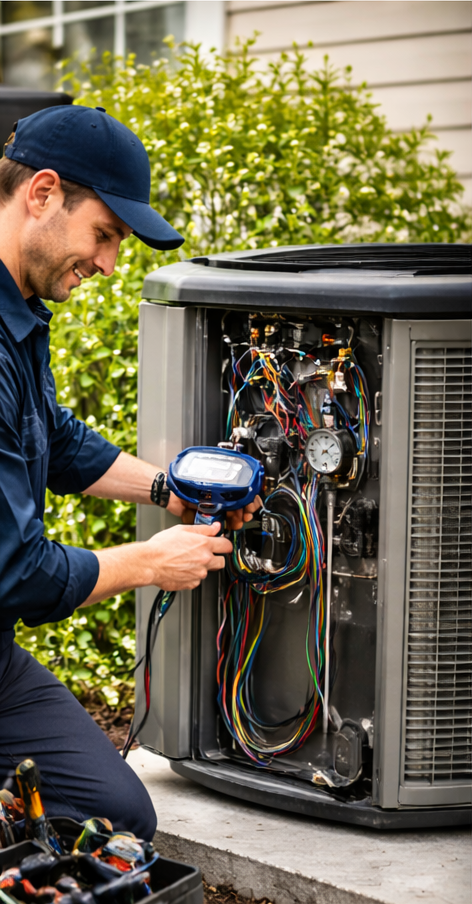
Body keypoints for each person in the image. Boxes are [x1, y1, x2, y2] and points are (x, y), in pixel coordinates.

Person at [0, 104, 259, 841]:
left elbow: (49, 435)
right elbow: (17, 572)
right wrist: (152, 560)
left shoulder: (18, 306)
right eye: (105, 235)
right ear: (42, 193)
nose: (109, 264)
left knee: (119, 814)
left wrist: (164, 487)